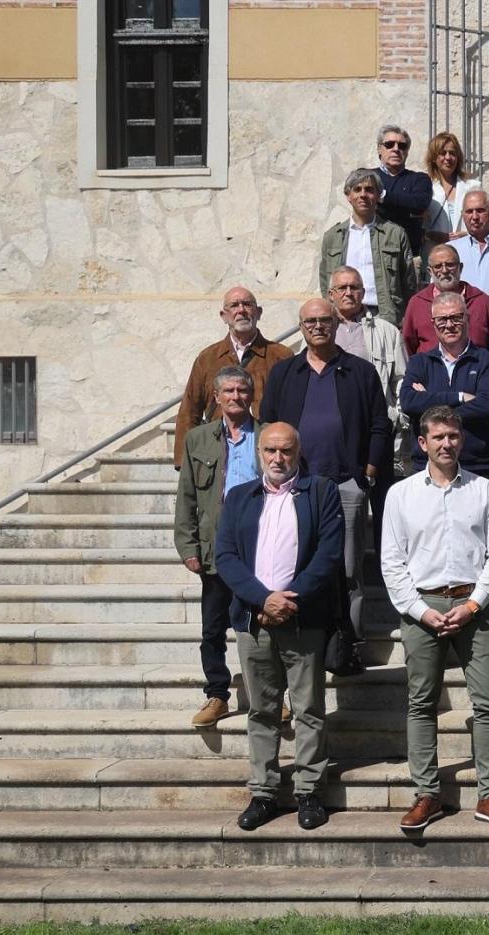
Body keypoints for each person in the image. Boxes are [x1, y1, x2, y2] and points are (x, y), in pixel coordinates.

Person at [381, 405, 489, 834]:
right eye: (438, 437)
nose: (446, 444)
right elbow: (391, 561)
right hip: (421, 606)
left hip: (474, 605)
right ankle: (427, 793)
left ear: (462, 440)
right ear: (422, 443)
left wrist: (474, 605)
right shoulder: (400, 494)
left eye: (453, 436)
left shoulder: (484, 490)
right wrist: (420, 610)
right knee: (422, 703)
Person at [214, 422, 344, 832]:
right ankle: (264, 792)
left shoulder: (320, 492)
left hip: (303, 620)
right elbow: (226, 556)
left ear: (298, 452)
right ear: (259, 453)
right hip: (254, 622)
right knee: (261, 711)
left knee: (308, 709)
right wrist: (262, 599)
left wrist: (289, 600)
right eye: (270, 450)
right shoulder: (240, 497)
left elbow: (329, 553)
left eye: (285, 450)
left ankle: (309, 791)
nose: (277, 458)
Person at [259, 300, 392, 660]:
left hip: (346, 484)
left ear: (336, 323)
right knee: (296, 563)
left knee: (348, 568)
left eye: (324, 320)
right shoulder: (285, 373)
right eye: (310, 321)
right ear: (301, 326)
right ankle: (306, 641)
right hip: (296, 487)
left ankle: (349, 645)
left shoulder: (360, 371)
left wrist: (368, 472)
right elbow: (268, 423)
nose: (318, 326)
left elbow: (380, 424)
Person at [174, 366, 262, 729]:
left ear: (251, 395)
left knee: (259, 627)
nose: (236, 397)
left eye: (242, 390)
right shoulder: (198, 439)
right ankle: (217, 695)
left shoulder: (267, 435)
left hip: (259, 547)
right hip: (215, 548)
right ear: (216, 397)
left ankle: (267, 696)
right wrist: (187, 545)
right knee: (213, 629)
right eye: (229, 391)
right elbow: (187, 496)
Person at [173, 286, 292, 466]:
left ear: (259, 312)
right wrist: (184, 463)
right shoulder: (207, 358)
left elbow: (292, 409)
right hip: (218, 453)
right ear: (224, 316)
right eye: (234, 305)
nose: (241, 310)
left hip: (267, 456)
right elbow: (190, 411)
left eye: (247, 304)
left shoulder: (281, 356)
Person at [399, 292, 489, 477]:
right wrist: (460, 397)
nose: (449, 325)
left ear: (467, 318)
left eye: (456, 317)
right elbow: (408, 402)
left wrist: (429, 405)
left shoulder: (488, 361)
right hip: (426, 467)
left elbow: (488, 405)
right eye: (442, 319)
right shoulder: (419, 362)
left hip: (476, 466)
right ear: (433, 323)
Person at [318, 168, 414, 322]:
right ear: (348, 196)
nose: (363, 194)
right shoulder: (333, 237)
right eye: (357, 189)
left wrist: (405, 317)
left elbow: (408, 282)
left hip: (384, 316)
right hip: (344, 317)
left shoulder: (395, 234)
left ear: (378, 196)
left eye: (369, 190)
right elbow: (325, 281)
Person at [327, 266, 407, 439]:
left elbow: (401, 380)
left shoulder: (387, 331)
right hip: (330, 422)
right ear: (331, 295)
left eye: (354, 287)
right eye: (342, 288)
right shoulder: (319, 331)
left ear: (363, 293)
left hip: (375, 424)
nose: (349, 293)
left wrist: (397, 417)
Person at [402, 243, 489, 355]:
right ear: (430, 271)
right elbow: (407, 347)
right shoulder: (417, 303)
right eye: (438, 266)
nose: (444, 270)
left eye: (450, 265)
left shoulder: (481, 302)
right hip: (429, 366)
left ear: (460, 268)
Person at [372, 124, 433, 255]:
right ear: (379, 149)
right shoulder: (367, 177)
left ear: (407, 151)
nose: (396, 149)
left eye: (402, 146)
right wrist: (407, 209)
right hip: (374, 252)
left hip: (408, 255)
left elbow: (420, 203)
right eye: (389, 144)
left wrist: (382, 196)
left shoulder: (419, 179)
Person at [420, 131, 482, 250]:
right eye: (443, 153)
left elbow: (487, 222)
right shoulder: (426, 188)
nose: (448, 158)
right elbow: (420, 226)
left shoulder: (473, 187)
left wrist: (468, 234)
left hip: (467, 250)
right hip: (436, 251)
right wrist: (431, 235)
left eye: (452, 153)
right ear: (434, 158)